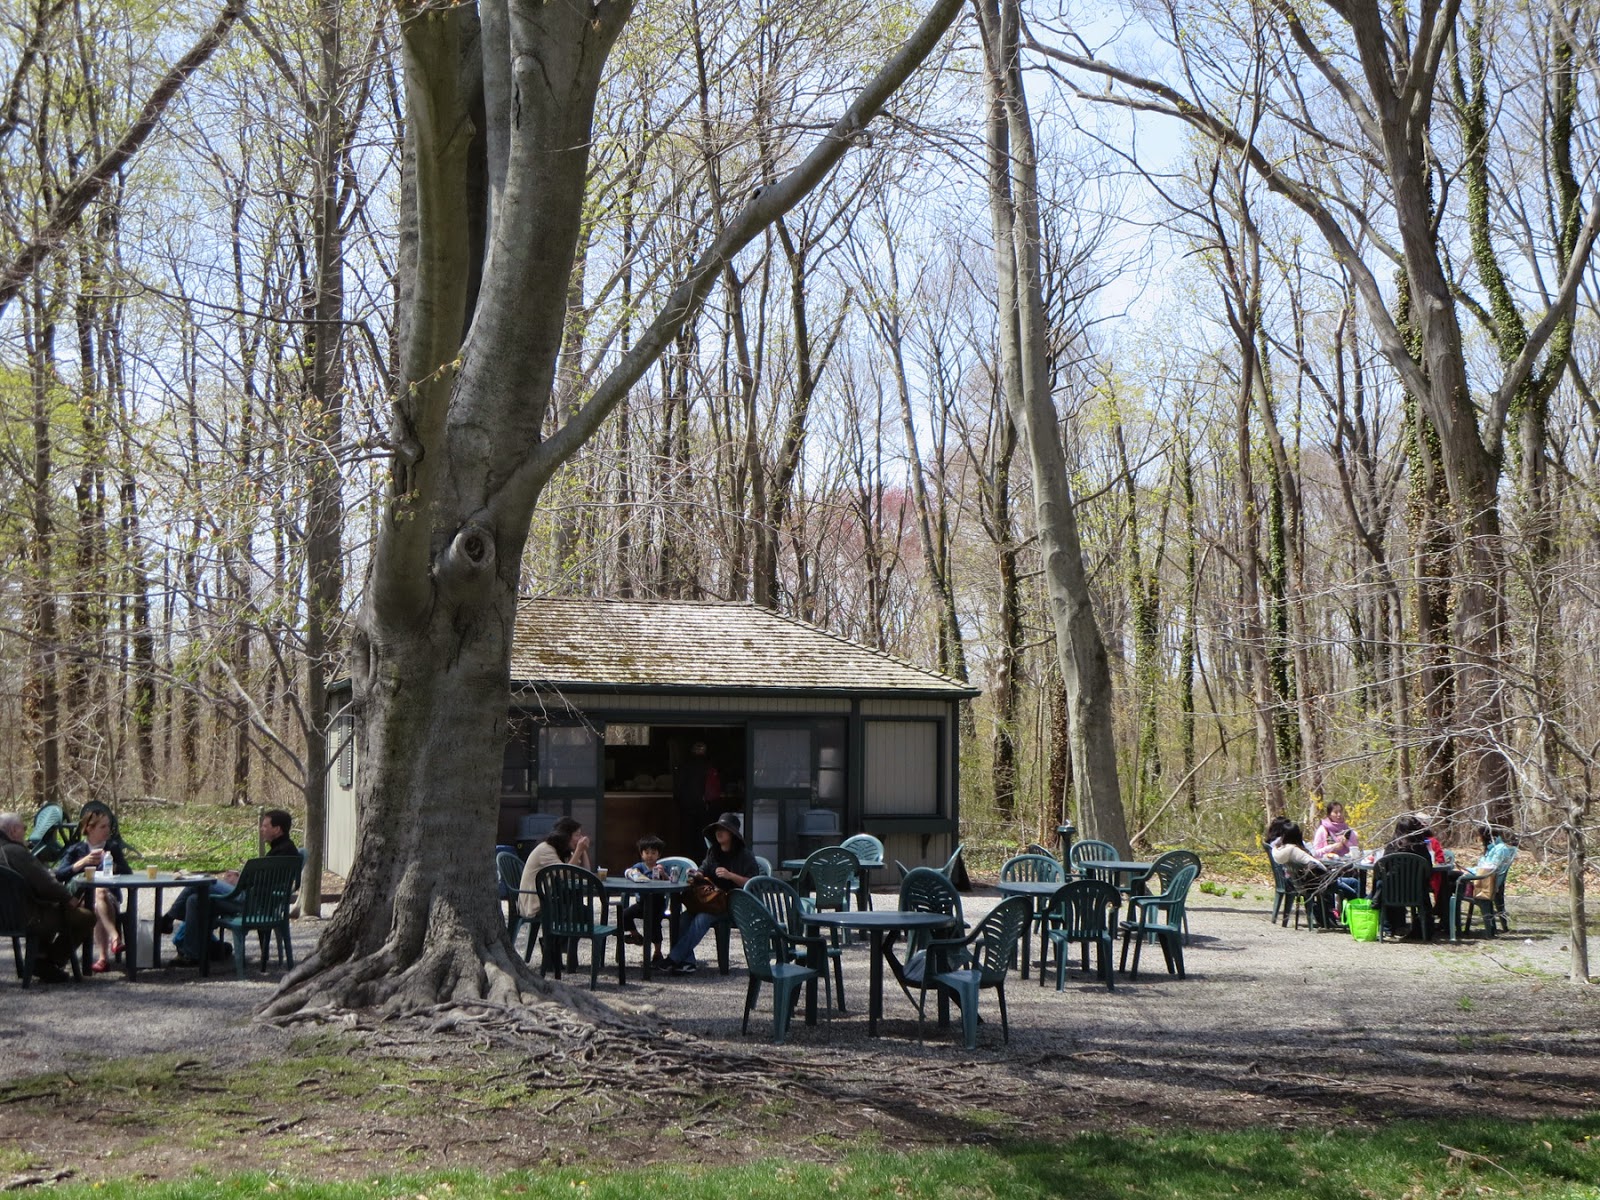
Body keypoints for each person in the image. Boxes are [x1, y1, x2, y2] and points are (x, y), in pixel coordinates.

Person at [161, 809, 299, 964]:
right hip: (257, 901)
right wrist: (240, 877)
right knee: (194, 900)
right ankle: (192, 954)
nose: (261, 829)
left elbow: (262, 882)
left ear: (277, 829)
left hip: (252, 902)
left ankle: (168, 919)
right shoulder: (286, 849)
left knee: (203, 882)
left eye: (265, 826)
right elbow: (266, 878)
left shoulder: (282, 852)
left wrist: (238, 882)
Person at [0, 811, 96, 982]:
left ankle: (40, 957)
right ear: (13, 831)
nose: (26, 832)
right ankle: (49, 961)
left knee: (50, 905)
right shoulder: (15, 852)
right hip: (28, 917)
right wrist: (69, 898)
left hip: (5, 917)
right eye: (24, 828)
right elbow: (45, 884)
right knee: (86, 917)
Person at [662, 811, 757, 976]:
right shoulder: (714, 851)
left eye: (724, 830)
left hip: (733, 905)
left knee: (702, 918)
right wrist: (696, 874)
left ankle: (673, 958)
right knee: (683, 918)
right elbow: (703, 869)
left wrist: (731, 876)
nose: (719, 833)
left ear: (732, 834)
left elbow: (753, 883)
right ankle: (688, 962)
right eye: (717, 829)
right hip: (710, 901)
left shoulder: (745, 855)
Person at [55, 808, 131, 972]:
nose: (107, 830)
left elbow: (128, 873)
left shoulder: (112, 848)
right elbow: (59, 875)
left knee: (100, 893)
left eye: (108, 826)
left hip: (109, 898)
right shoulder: (76, 849)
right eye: (102, 827)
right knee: (96, 902)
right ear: (89, 828)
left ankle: (104, 956)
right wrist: (82, 863)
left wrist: (112, 865)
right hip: (82, 900)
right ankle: (114, 939)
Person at [1270, 821, 1358, 917]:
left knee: (1353, 882)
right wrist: (1330, 872)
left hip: (1303, 883)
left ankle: (1341, 915)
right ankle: (1355, 917)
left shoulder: (1278, 850)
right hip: (1320, 883)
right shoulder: (1295, 851)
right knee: (1353, 890)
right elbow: (1316, 865)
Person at [1435, 824, 1517, 926]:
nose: (1478, 839)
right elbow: (1483, 867)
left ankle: (1442, 915)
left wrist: (1468, 873)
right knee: (1447, 881)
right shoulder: (1493, 848)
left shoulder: (1500, 849)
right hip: (1479, 877)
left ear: (1485, 836)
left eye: (1479, 836)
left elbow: (1489, 870)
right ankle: (1445, 918)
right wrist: (1467, 869)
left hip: (1484, 883)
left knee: (1448, 878)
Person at [515, 816, 591, 925]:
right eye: (577, 835)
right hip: (535, 904)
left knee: (583, 911)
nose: (580, 839)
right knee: (580, 913)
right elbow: (564, 873)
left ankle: (558, 937)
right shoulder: (546, 850)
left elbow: (586, 873)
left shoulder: (562, 851)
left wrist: (583, 851)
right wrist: (579, 850)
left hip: (550, 900)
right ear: (566, 836)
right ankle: (555, 937)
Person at [620, 834, 670, 967]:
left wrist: (663, 874)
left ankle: (657, 952)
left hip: (657, 904)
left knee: (654, 925)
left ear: (658, 854)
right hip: (642, 903)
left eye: (653, 853)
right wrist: (631, 873)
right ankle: (636, 936)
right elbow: (629, 873)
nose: (650, 856)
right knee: (624, 914)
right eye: (646, 853)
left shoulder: (660, 867)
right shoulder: (639, 867)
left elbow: (670, 882)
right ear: (641, 854)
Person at [674, 740, 722, 857]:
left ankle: (688, 860)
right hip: (705, 807)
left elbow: (678, 787)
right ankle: (703, 860)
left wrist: (679, 801)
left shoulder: (684, 765)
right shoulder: (709, 765)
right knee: (703, 836)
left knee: (688, 837)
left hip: (687, 807)